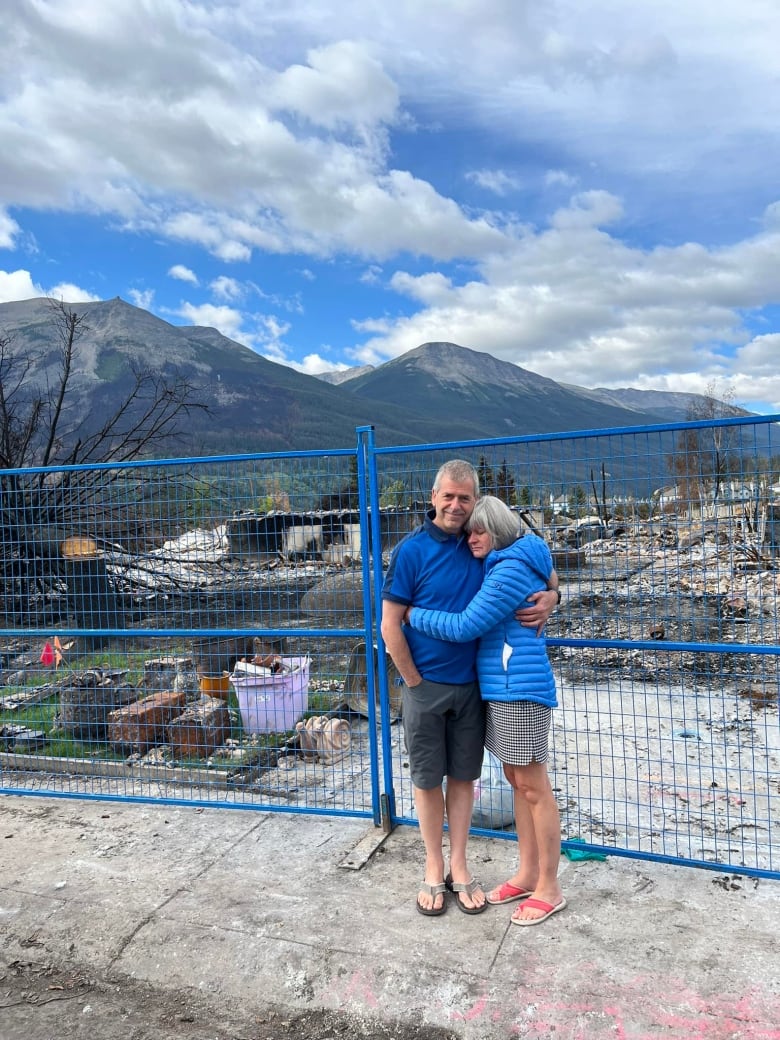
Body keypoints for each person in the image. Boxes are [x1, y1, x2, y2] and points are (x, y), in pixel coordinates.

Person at [381, 462, 558, 917]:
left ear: (477, 504)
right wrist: (412, 682)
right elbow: (387, 623)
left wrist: (555, 595)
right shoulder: (412, 551)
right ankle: (434, 865)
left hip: (481, 688)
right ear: (433, 496)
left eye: (466, 499)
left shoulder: (485, 548)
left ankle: (464, 868)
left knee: (467, 778)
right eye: (449, 497)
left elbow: (535, 573)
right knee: (429, 779)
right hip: (432, 688)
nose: (457, 507)